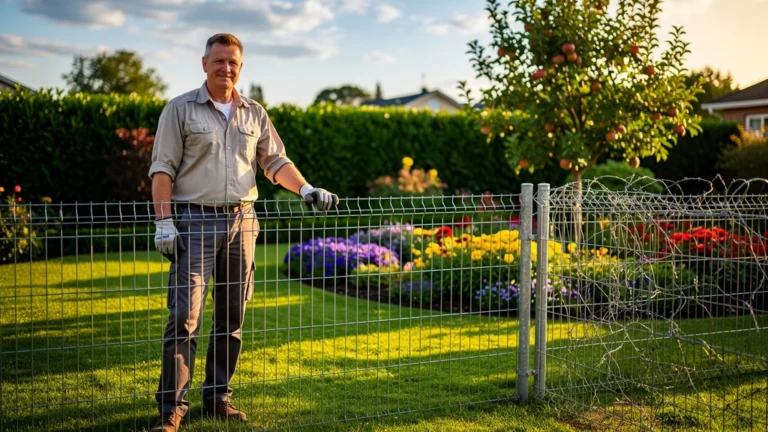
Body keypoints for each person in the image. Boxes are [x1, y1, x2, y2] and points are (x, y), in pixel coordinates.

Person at [148, 33, 337, 432]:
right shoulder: (179, 109)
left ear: (241, 66)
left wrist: (305, 188)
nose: (226, 68)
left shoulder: (254, 112)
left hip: (243, 222)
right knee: (185, 315)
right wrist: (163, 220)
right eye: (218, 61)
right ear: (204, 64)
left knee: (232, 315)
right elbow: (162, 168)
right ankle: (172, 408)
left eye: (233, 62)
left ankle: (218, 397)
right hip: (193, 221)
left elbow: (275, 161)